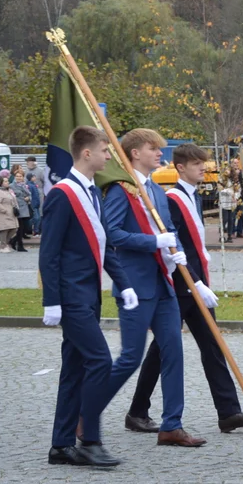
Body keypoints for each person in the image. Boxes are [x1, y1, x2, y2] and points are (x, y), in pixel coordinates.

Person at [125, 144, 243, 436]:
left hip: (196, 283)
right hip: (179, 285)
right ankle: (137, 411)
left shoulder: (194, 197)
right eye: (196, 163)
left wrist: (202, 280)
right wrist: (195, 283)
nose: (203, 167)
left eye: (203, 162)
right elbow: (177, 245)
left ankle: (228, 412)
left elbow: (196, 244)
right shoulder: (172, 198)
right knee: (162, 348)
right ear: (180, 168)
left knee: (212, 346)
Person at [96, 128, 205, 447]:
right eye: (152, 148)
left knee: (174, 353)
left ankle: (172, 424)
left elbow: (169, 229)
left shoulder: (156, 191)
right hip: (136, 284)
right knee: (130, 357)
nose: (160, 153)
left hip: (163, 284)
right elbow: (112, 234)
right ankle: (86, 412)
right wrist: (153, 242)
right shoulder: (121, 190)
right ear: (134, 154)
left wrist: (176, 251)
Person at [41, 126, 138, 467]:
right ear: (87, 153)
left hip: (88, 295)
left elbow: (103, 244)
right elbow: (48, 253)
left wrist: (124, 283)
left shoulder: (93, 192)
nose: (109, 156)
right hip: (70, 298)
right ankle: (90, 438)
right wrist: (51, 300)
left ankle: (61, 445)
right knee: (99, 362)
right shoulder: (62, 194)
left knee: (75, 369)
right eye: (105, 150)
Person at [0, 173, 19, 253]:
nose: (7, 182)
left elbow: (14, 199)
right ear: (1, 183)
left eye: (7, 181)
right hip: (3, 213)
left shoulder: (10, 190)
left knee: (14, 228)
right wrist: (3, 210)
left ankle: (3, 242)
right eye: (5, 181)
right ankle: (3, 246)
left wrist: (17, 207)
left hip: (12, 212)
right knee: (4, 229)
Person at [10, 167, 32, 252]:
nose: (19, 178)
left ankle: (13, 241)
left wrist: (28, 198)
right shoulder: (12, 186)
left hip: (25, 208)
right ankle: (19, 245)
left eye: (20, 176)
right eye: (17, 176)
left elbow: (30, 195)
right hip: (18, 208)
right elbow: (11, 197)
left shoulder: (24, 185)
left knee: (24, 227)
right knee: (20, 228)